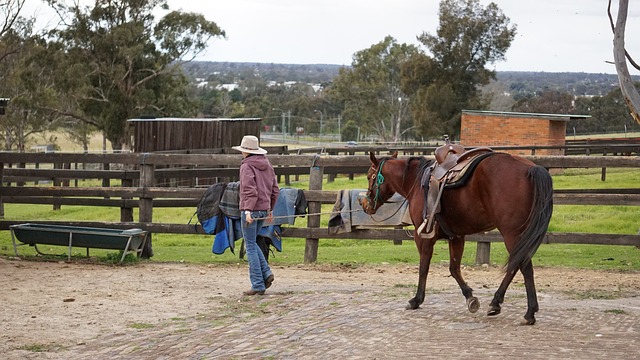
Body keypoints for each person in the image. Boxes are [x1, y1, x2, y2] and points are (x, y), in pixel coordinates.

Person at [232, 135, 280, 295]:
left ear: (245, 151)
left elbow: (248, 190)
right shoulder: (267, 165)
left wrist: (247, 211)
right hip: (263, 209)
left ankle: (258, 283)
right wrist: (270, 209)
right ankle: (266, 273)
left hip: (251, 210)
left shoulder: (246, 166)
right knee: (252, 242)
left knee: (250, 245)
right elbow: (275, 189)